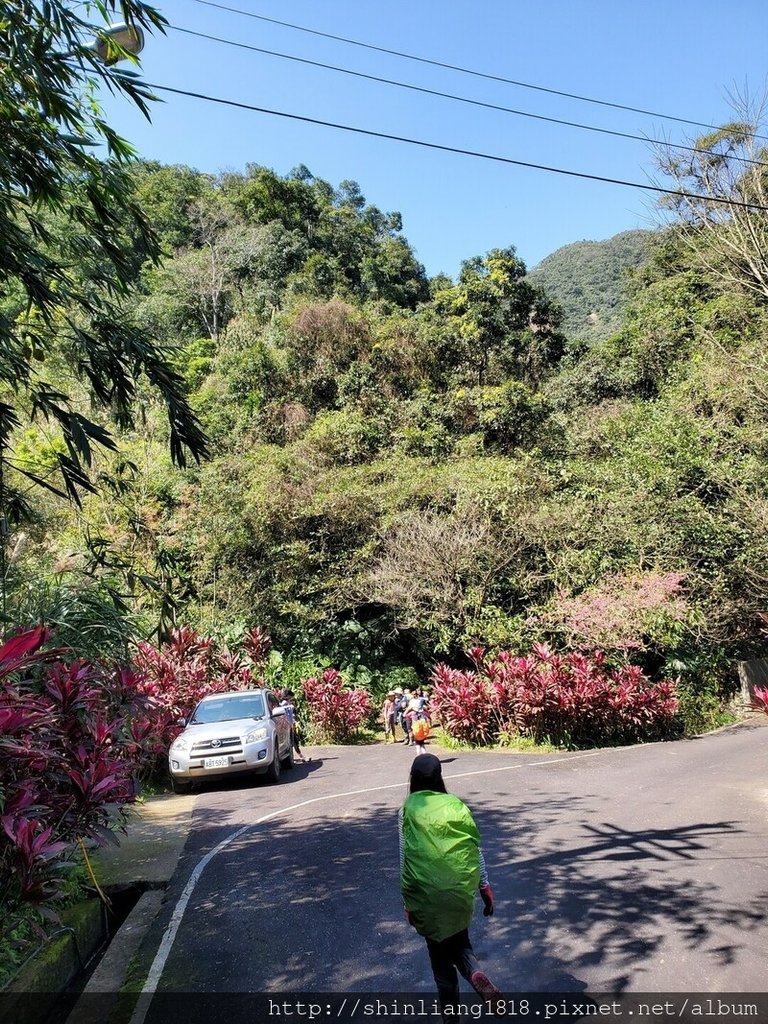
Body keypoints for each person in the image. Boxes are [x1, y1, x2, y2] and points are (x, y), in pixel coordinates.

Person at [399, 754, 501, 1018]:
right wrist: (485, 886)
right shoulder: (457, 805)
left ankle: (451, 1018)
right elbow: (474, 848)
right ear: (439, 778)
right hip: (459, 892)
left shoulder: (408, 809)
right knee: (459, 941)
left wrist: (408, 902)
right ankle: (474, 972)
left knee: (440, 960)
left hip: (426, 894)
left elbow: (406, 857)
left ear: (413, 779)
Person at [279, 688, 306, 763]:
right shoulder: (284, 704)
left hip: (290, 725)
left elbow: (291, 715)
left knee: (294, 741)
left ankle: (300, 756)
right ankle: (300, 757)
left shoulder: (288, 704)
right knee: (292, 741)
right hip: (287, 726)